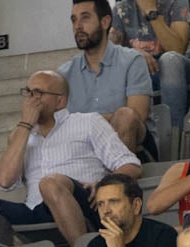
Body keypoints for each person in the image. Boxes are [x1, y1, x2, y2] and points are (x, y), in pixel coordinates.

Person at [0, 70, 140, 247]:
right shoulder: (21, 135)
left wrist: (102, 185)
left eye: (38, 93)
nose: (31, 99)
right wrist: (25, 125)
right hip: (35, 210)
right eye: (28, 92)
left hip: (81, 200)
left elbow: (131, 166)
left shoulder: (88, 122)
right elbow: (4, 181)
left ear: (60, 101)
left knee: (50, 183)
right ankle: (14, 243)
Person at [61, 0, 153, 153]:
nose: (78, 26)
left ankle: (118, 176)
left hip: (135, 150)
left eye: (85, 17)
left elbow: (135, 118)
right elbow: (59, 126)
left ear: (105, 22)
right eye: (74, 20)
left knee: (125, 116)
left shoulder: (132, 61)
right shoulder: (64, 74)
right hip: (82, 154)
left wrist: (81, 124)